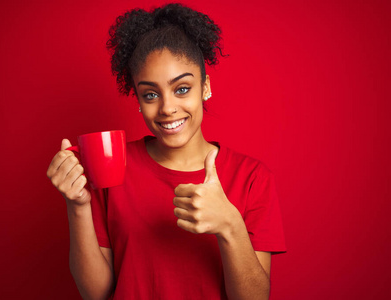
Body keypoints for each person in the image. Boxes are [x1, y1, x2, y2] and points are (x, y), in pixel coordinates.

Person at [47, 3, 286, 299]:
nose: (168, 108)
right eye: (150, 94)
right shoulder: (112, 168)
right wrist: (78, 205)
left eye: (182, 89)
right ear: (137, 99)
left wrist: (230, 224)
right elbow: (96, 293)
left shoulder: (252, 177)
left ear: (205, 87)